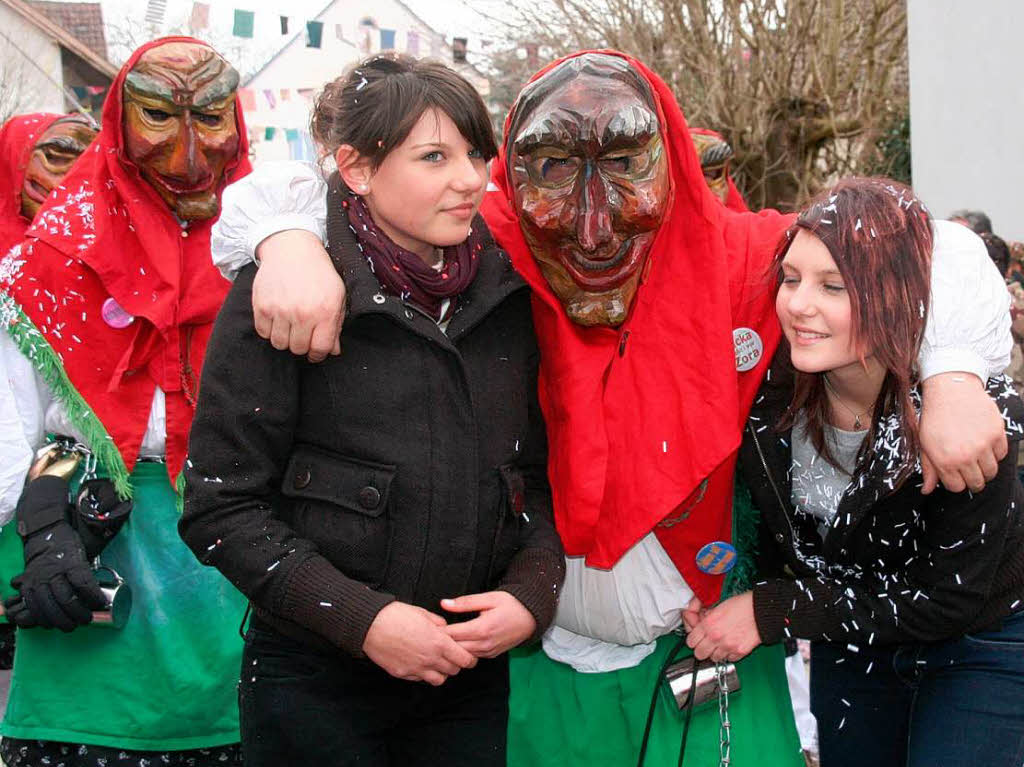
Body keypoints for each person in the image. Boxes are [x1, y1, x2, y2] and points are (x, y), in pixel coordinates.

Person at [208, 51, 1012, 766]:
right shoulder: (487, 242)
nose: (594, 228)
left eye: (627, 162)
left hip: (702, 646)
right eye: (553, 169)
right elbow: (339, 193)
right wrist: (284, 238)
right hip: (524, 661)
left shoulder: (744, 259)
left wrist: (952, 375)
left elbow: (929, 245)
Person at [179, 54, 564, 767]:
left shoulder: (510, 294)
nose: (470, 178)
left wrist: (532, 593)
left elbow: (535, 480)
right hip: (313, 684)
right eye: (435, 156)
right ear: (356, 168)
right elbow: (220, 507)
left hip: (465, 684)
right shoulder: (286, 291)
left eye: (478, 152)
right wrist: (365, 620)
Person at [690, 178, 1024, 766]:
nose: (798, 305)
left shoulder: (967, 410)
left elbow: (949, 598)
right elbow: (776, 530)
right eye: (791, 280)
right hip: (853, 642)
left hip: (981, 639)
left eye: (833, 286)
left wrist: (773, 610)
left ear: (894, 294)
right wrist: (727, 586)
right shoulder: (767, 391)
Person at [0, 37, 250, 767]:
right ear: (119, 123)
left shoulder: (269, 257)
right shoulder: (40, 263)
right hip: (84, 560)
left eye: (210, 117)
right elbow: (11, 424)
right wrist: (44, 530)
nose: (189, 155)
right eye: (157, 118)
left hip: (239, 563)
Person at [0, 111, 98, 669]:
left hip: (53, 487)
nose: (69, 175)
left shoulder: (94, 262)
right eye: (56, 152)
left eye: (86, 157)